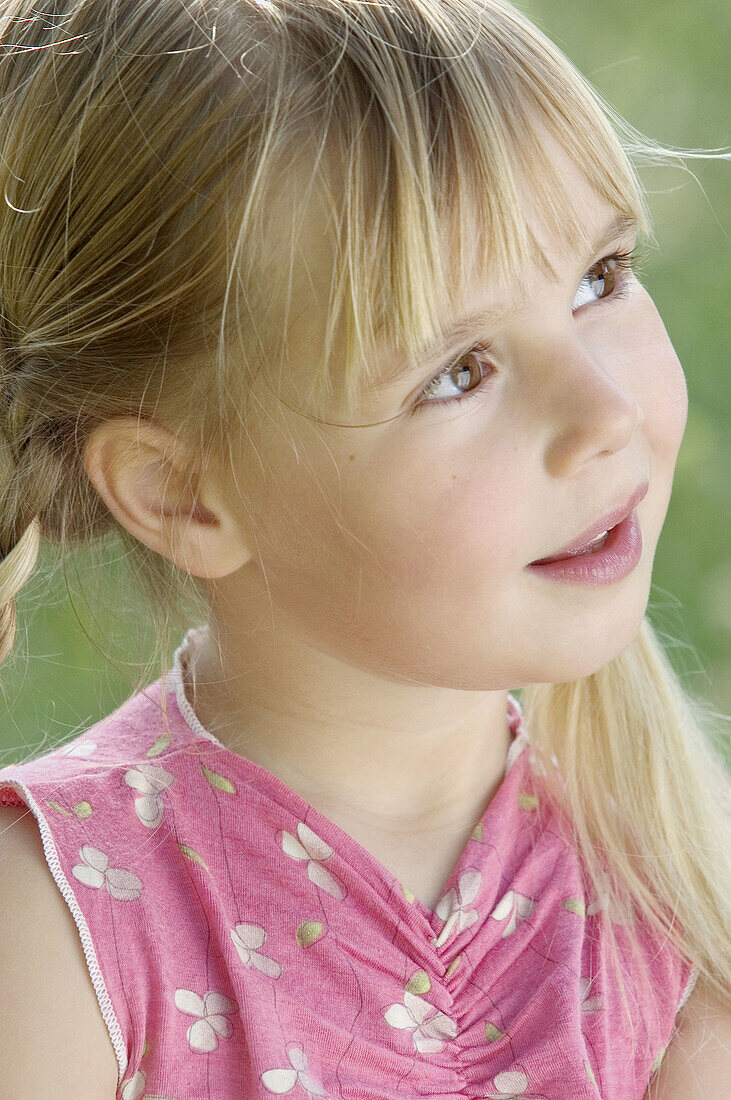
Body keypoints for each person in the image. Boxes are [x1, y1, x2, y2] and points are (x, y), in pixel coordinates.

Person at [0, 1, 728, 1096]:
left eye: (599, 278)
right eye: (457, 372)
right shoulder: (54, 934)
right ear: (184, 493)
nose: (604, 412)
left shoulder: (673, 907)